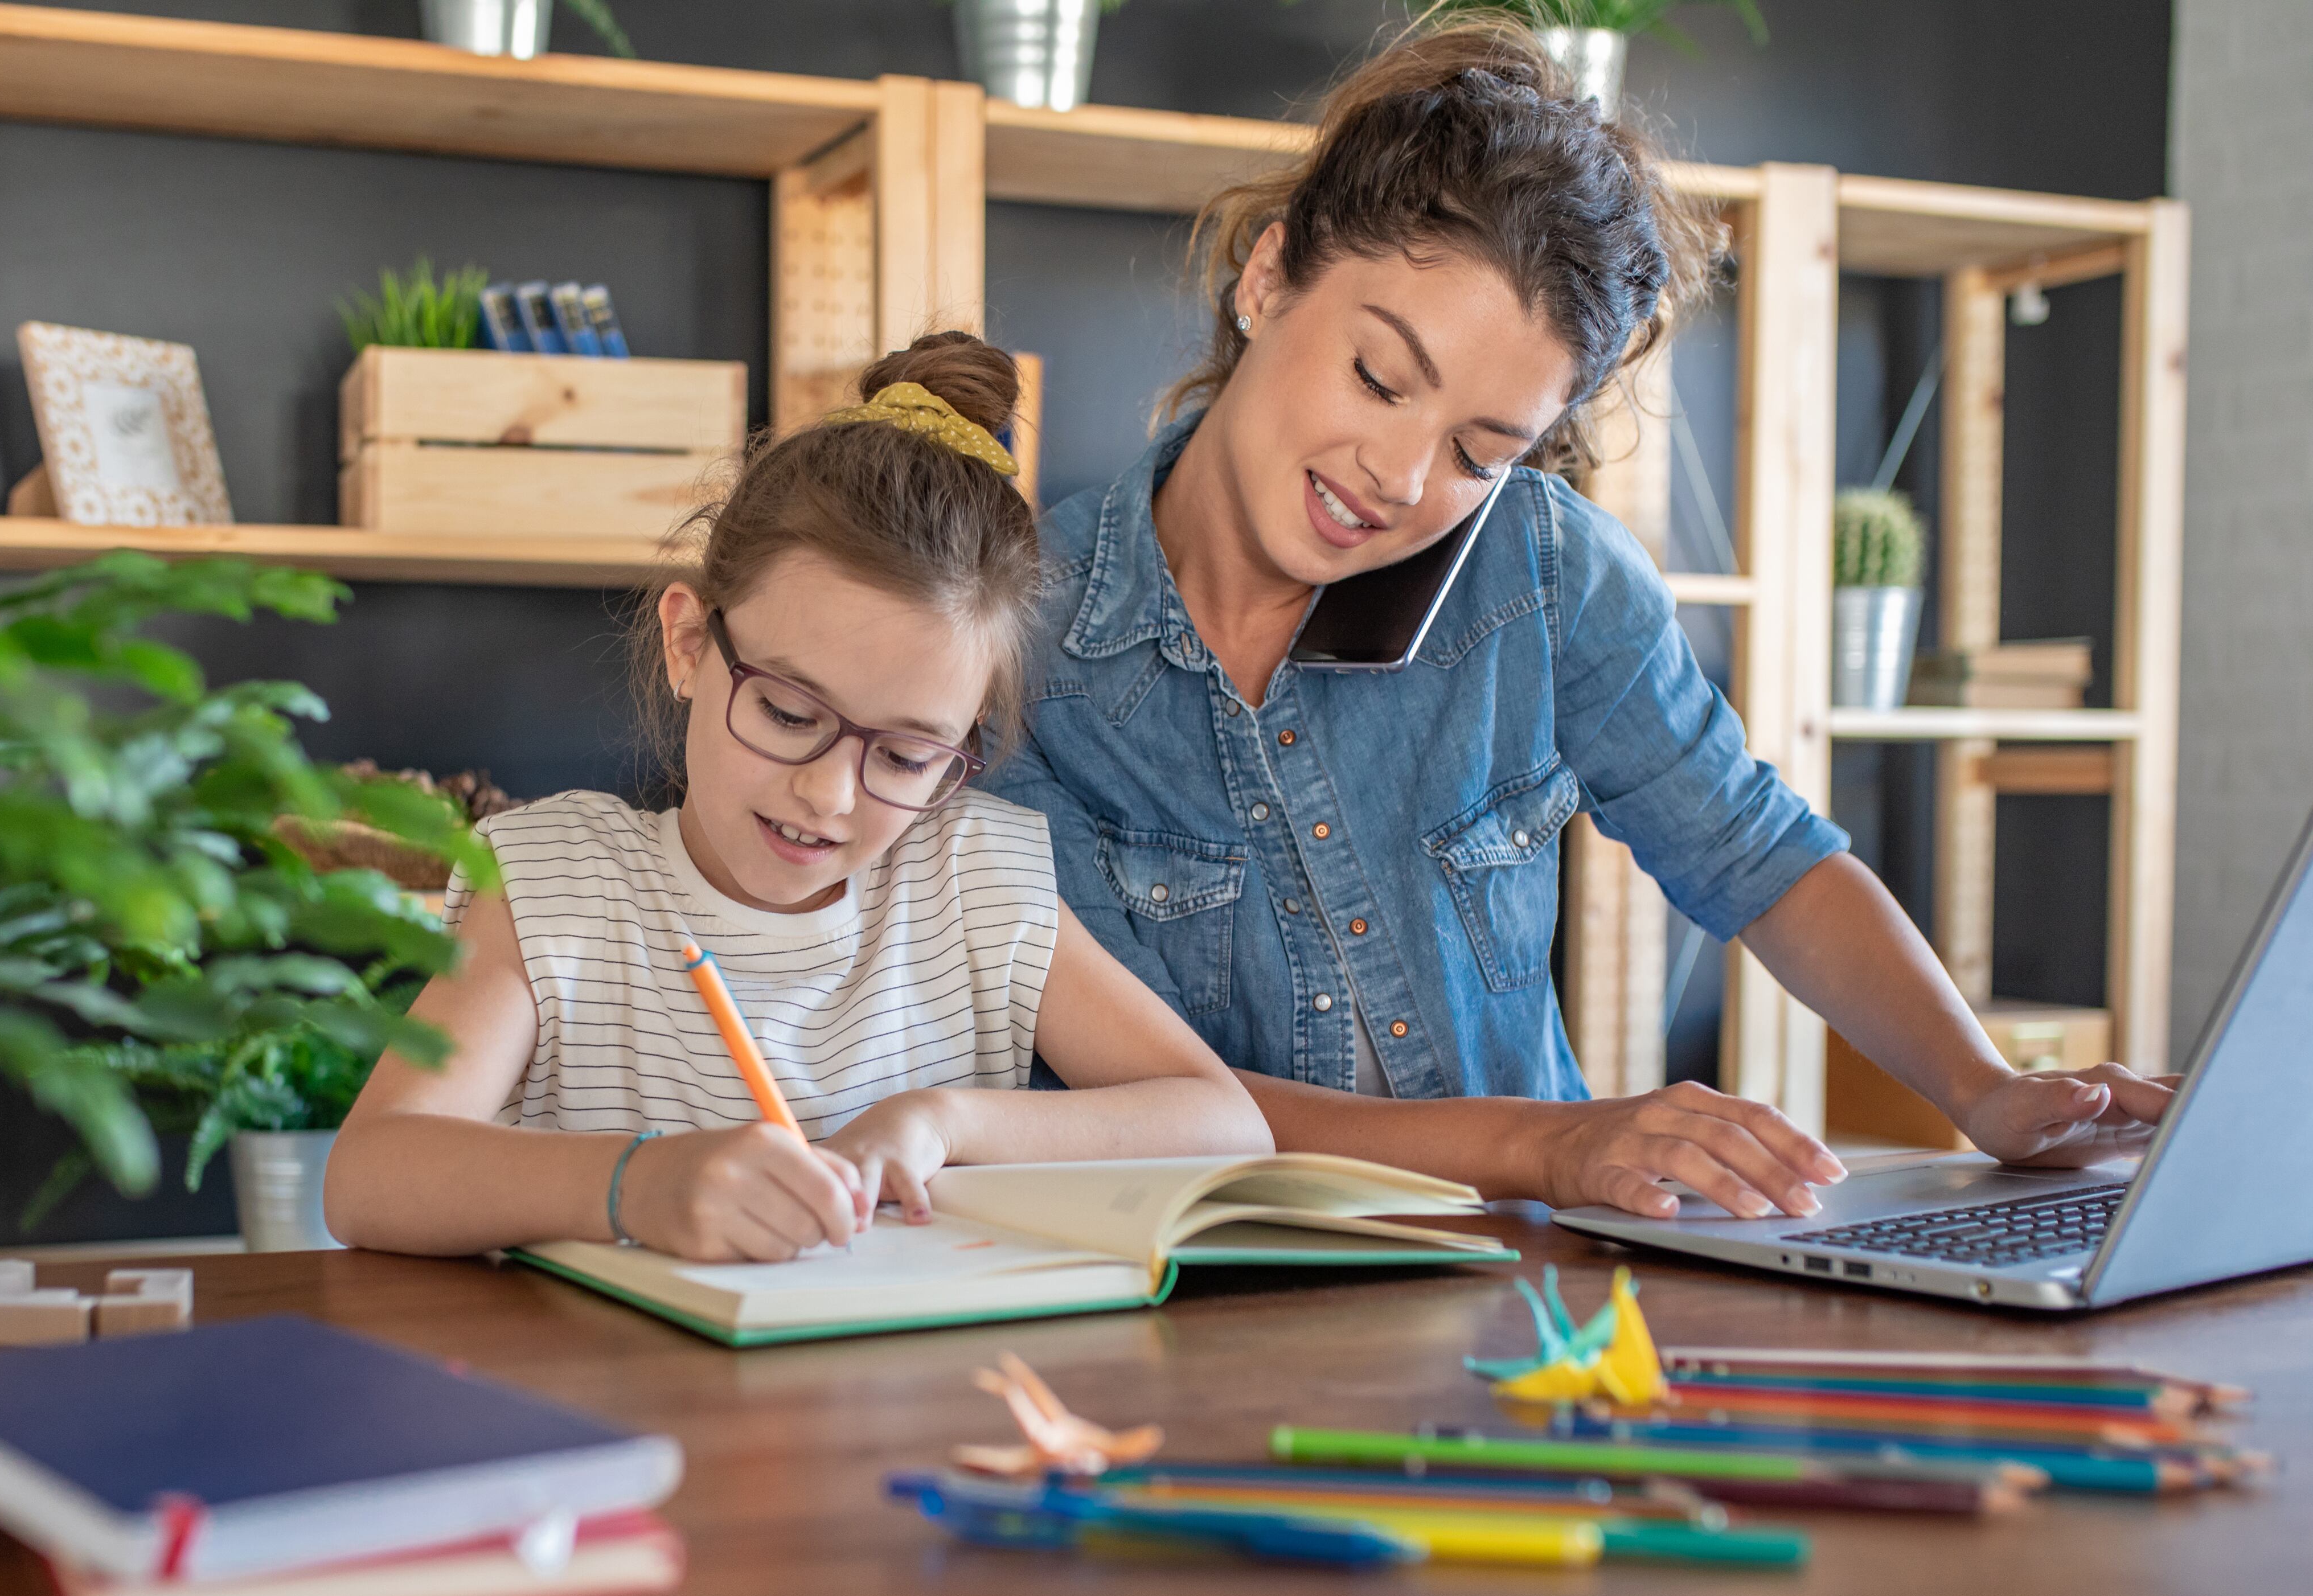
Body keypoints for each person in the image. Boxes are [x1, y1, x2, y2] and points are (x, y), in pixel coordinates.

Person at [986, 22, 2172, 1222]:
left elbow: (1763, 862)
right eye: (1380, 379)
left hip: (1520, 1297)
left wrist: (1984, 1089)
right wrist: (1551, 1143)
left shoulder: (1543, 572)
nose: (1399, 476)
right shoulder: (1015, 635)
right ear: (1268, 276)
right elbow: (1147, 1092)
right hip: (1182, 1305)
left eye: (1477, 450)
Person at [326, 335, 1270, 1264]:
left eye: (905, 757)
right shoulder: (558, 884)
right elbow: (369, 1174)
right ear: (690, 644)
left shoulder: (971, 882)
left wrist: (942, 1120)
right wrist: (637, 1185)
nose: (828, 794)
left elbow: (1228, 1125)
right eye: (785, 710)